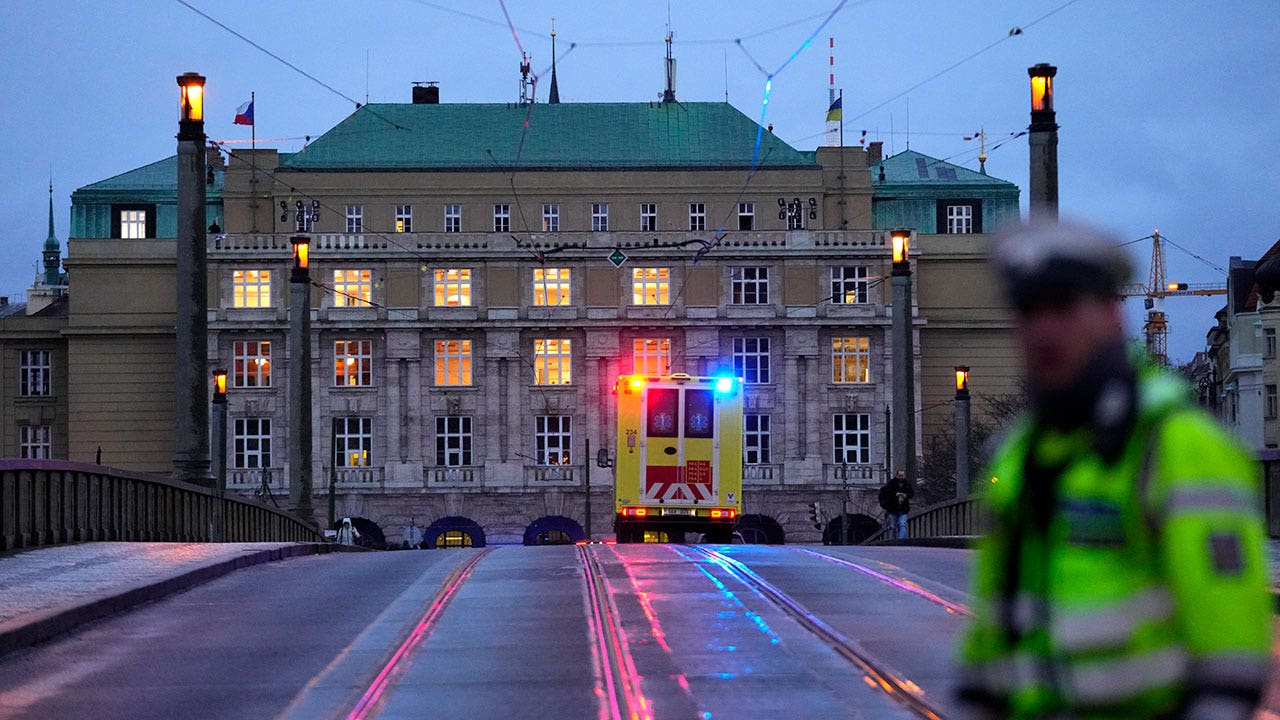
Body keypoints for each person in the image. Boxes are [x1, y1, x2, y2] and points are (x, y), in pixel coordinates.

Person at [955, 221, 1273, 719]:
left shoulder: (1178, 445)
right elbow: (993, 632)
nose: (1044, 330)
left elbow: (1230, 653)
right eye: (1029, 311)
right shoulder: (1019, 453)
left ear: (1110, 315)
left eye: (1063, 307)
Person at [878, 470, 914, 539]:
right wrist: (895, 494)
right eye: (900, 476)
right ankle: (894, 541)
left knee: (902, 524)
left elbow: (911, 493)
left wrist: (906, 495)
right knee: (893, 526)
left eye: (902, 475)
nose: (901, 477)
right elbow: (887, 493)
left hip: (903, 509)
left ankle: (901, 540)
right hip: (893, 509)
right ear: (897, 475)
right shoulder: (891, 483)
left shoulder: (907, 484)